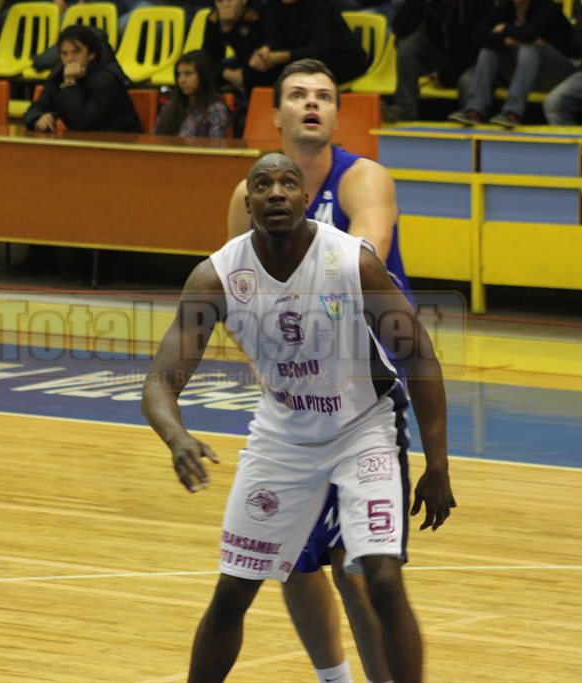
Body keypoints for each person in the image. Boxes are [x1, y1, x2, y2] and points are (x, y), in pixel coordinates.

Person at [143, 152, 455, 683]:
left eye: (288, 183)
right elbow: (158, 383)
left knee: (381, 580)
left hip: (364, 430)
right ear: (248, 202)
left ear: (305, 199)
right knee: (232, 591)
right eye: (263, 185)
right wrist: (176, 437)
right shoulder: (216, 277)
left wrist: (438, 463)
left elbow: (419, 356)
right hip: (282, 438)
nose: (276, 193)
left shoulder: (352, 263)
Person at [227, 58, 413, 683]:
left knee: (352, 562)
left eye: (325, 97)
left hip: (363, 394)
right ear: (275, 114)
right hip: (299, 401)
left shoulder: (363, 180)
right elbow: (236, 296)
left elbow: (360, 266)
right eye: (299, 95)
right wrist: (274, 367)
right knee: (293, 560)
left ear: (336, 115)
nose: (312, 104)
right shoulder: (247, 196)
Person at [448, 0, 574, 127]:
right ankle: (475, 110)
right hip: (527, 74)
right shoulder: (507, 7)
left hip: (560, 74)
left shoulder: (546, 6)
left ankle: (512, 112)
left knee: (529, 48)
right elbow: (478, 35)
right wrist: (506, 41)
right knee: (489, 50)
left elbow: (529, 34)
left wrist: (505, 29)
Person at [387, 0, 495, 121]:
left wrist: (448, 75)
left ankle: (470, 117)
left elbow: (480, 47)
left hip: (471, 64)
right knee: (407, 43)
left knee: (468, 81)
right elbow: (400, 29)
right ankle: (405, 109)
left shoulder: (480, 3)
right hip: (439, 58)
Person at [23, 24, 141, 133]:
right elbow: (35, 109)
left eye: (76, 52)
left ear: (91, 54)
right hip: (86, 142)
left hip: (119, 141)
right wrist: (38, 119)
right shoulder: (58, 76)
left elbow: (81, 123)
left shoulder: (107, 79)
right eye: (64, 53)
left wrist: (69, 83)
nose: (69, 59)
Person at [252, 0, 370, 87]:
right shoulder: (271, 5)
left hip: (341, 59)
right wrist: (265, 50)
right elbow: (273, 38)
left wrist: (279, 57)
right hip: (300, 58)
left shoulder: (319, 4)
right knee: (254, 70)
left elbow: (319, 49)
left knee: (300, 76)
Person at [154, 50, 232, 137]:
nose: (181, 80)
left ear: (202, 76)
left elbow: (216, 144)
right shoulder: (169, 107)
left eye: (188, 74)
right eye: (179, 74)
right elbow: (155, 139)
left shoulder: (216, 110)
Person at [202, 0, 266, 93]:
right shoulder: (214, 18)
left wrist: (229, 29)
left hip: (261, 60)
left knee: (252, 71)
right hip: (237, 61)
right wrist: (226, 73)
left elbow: (253, 50)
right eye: (220, 1)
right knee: (200, 71)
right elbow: (209, 55)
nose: (225, 5)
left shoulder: (256, 14)